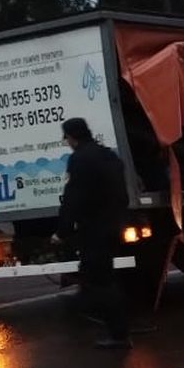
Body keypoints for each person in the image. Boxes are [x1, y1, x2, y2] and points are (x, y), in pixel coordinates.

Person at [55, 117, 132, 349]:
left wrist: (62, 231)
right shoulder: (109, 156)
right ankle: (114, 327)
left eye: (66, 138)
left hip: (93, 229)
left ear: (71, 136)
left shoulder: (79, 160)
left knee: (99, 280)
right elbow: (122, 195)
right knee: (99, 275)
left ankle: (118, 334)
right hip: (113, 225)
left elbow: (73, 198)